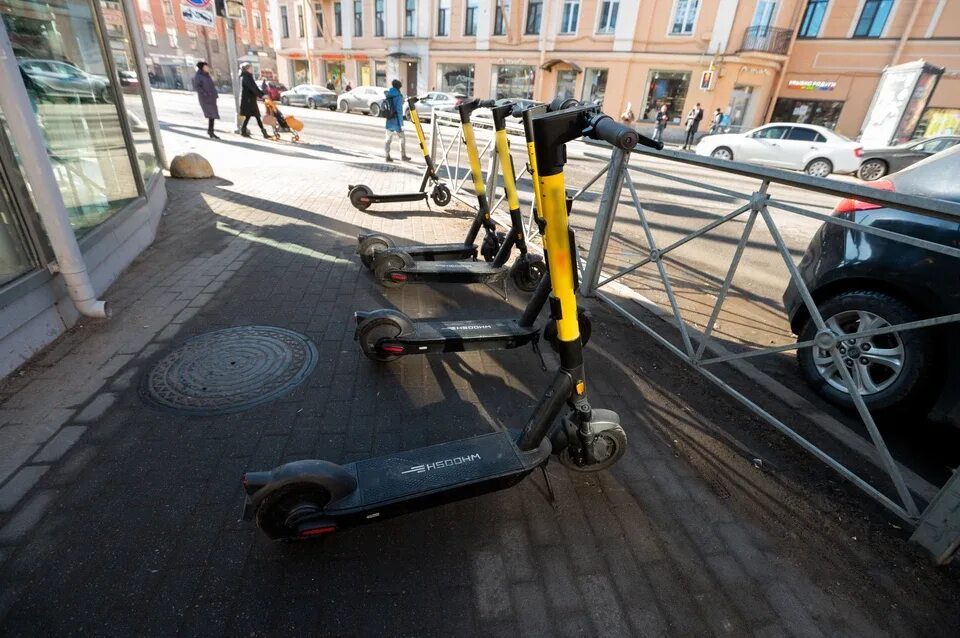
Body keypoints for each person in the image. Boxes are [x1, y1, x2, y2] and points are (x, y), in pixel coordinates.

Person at [238, 63, 269, 138]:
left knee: (250, 116)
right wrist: (261, 96)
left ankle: (243, 131)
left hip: (250, 100)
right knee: (256, 116)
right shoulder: (245, 77)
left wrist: (262, 94)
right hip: (248, 101)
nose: (252, 70)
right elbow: (252, 88)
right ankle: (264, 133)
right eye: (251, 68)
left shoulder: (249, 77)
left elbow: (255, 88)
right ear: (247, 69)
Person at [384, 79, 410, 162]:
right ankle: (403, 156)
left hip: (389, 120)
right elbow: (399, 111)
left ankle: (387, 156)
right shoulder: (398, 96)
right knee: (402, 138)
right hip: (396, 122)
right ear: (399, 87)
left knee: (388, 139)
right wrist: (402, 125)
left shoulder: (388, 94)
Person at [192, 61, 220, 139]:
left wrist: (215, 94)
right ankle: (211, 132)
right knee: (211, 115)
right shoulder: (198, 76)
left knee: (212, 116)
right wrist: (206, 95)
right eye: (206, 67)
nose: (208, 68)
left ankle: (210, 131)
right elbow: (197, 87)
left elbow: (211, 86)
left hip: (211, 98)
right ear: (202, 68)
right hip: (206, 99)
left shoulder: (206, 75)